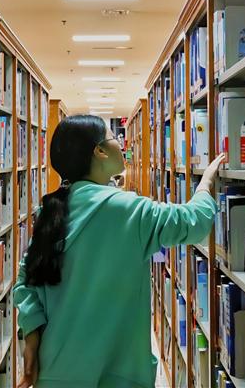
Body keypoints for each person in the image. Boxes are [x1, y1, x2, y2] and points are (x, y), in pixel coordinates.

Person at [14, 115, 225, 388]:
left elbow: (26, 279)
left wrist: (31, 336)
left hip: (54, 372)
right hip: (118, 374)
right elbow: (193, 222)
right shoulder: (129, 209)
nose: (122, 145)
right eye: (114, 138)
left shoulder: (51, 211)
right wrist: (205, 183)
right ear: (100, 151)